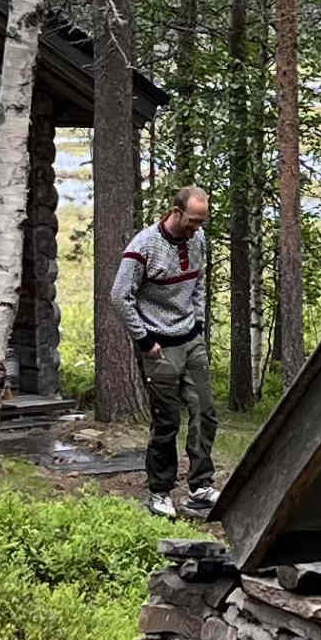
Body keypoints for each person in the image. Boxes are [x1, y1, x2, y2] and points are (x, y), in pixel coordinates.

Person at [113, 184, 220, 517]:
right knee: (167, 421)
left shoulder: (198, 240)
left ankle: (201, 485)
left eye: (201, 222)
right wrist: (144, 340)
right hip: (159, 346)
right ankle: (160, 491)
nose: (196, 227)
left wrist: (199, 324)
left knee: (205, 412)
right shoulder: (144, 246)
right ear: (176, 212)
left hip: (191, 339)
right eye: (192, 220)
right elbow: (120, 296)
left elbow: (199, 281)